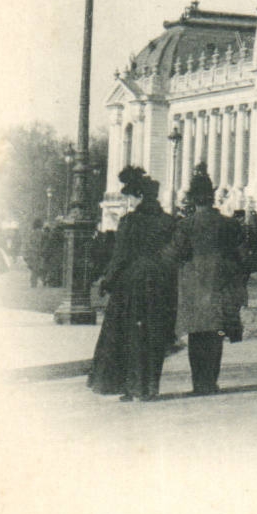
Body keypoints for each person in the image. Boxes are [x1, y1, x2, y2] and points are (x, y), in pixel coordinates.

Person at [89, 168, 178, 401]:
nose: (128, 201)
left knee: (129, 336)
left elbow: (120, 256)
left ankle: (131, 387)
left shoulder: (130, 222)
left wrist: (107, 281)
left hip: (132, 284)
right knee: (154, 334)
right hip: (160, 283)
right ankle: (149, 387)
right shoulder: (168, 221)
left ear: (138, 196)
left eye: (130, 197)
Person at [170, 167, 244, 395]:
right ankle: (211, 382)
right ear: (212, 197)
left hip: (193, 287)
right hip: (220, 285)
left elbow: (176, 253)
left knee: (196, 336)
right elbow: (240, 255)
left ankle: (199, 383)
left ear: (193, 199)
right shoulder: (229, 224)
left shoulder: (185, 225)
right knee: (216, 334)